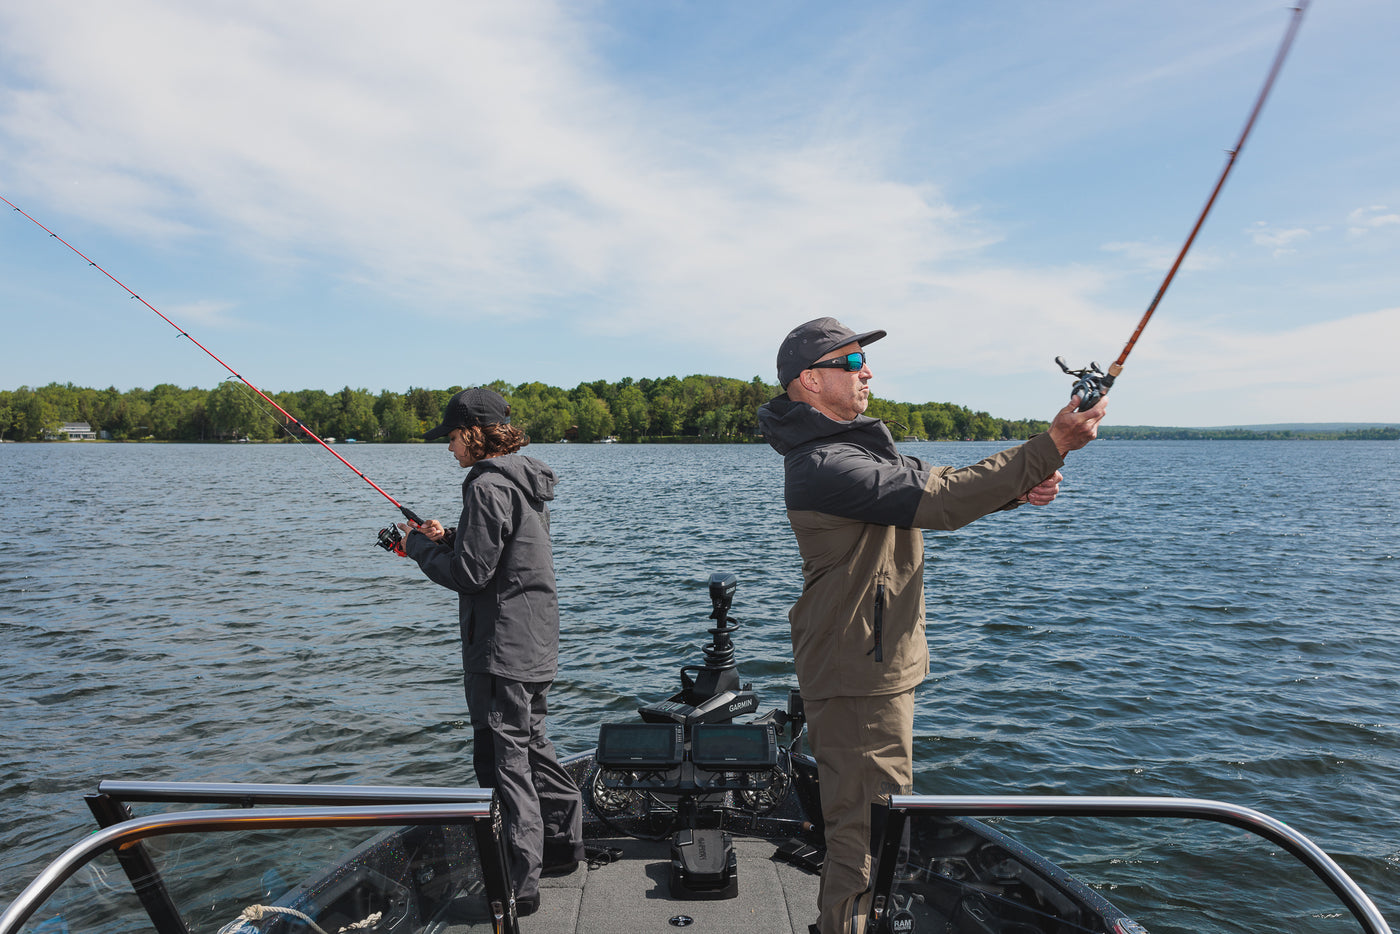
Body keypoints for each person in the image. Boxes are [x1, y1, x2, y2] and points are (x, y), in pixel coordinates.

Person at [755, 318, 1107, 934]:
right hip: (858, 674)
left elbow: (939, 486)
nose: (867, 370)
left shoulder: (855, 451)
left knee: (872, 824)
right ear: (810, 381)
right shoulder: (822, 463)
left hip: (867, 664)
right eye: (853, 360)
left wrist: (1019, 489)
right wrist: (1050, 445)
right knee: (865, 837)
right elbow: (937, 502)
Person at [397, 387, 584, 917]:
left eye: (453, 438)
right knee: (535, 744)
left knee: (507, 763)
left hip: (501, 648)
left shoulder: (484, 485)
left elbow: (471, 574)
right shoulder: (522, 478)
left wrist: (416, 548)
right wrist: (447, 536)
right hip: (535, 641)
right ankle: (564, 846)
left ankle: (517, 885)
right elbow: (506, 549)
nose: (449, 448)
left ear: (475, 435)